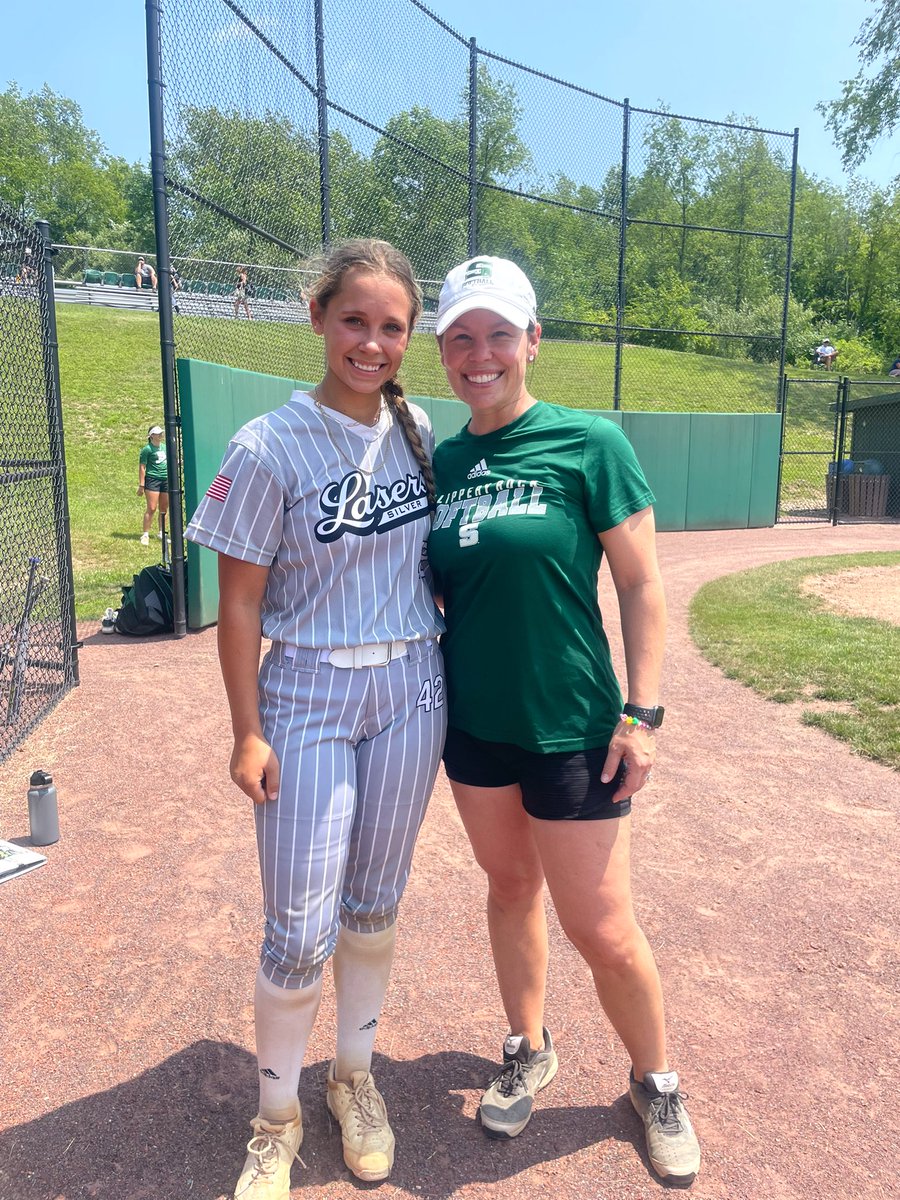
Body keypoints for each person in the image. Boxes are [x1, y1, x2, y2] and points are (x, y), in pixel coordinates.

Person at [427, 256, 701, 1187]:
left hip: (575, 726)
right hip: (474, 730)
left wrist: (644, 713)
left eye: (499, 333)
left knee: (605, 926)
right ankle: (528, 1046)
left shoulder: (589, 442)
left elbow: (642, 584)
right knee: (508, 889)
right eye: (461, 337)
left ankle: (656, 1082)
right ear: (442, 351)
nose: (481, 354)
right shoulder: (442, 460)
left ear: (532, 341)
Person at [185, 239, 446, 1199]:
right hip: (305, 691)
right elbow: (241, 605)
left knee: (375, 904)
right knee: (299, 928)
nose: (371, 343)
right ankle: (276, 1119)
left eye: (391, 326)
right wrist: (245, 729)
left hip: (412, 688)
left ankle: (354, 1080)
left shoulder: (419, 428)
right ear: (318, 319)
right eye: (354, 320)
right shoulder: (267, 444)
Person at [137, 425, 168, 546]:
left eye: (161, 433)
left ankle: (162, 533)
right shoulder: (147, 449)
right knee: (152, 508)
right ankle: (145, 534)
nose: (161, 435)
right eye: (158, 433)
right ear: (151, 436)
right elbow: (142, 467)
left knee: (164, 508)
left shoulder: (165, 447)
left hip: (165, 479)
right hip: (152, 480)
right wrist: (142, 485)